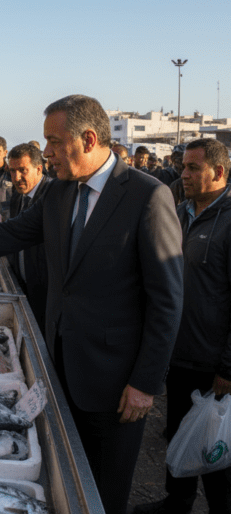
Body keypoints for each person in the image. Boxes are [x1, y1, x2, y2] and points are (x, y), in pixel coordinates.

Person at [0, 94, 183, 514]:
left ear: (87, 139)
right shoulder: (61, 193)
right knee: (68, 477)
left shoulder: (147, 196)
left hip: (115, 379)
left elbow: (167, 300)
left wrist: (146, 383)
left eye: (52, 141)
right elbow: (8, 235)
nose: (45, 152)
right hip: (59, 362)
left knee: (105, 493)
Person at [133, 139, 231, 514]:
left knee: (216, 446)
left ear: (218, 172)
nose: (183, 174)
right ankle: (178, 502)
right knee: (178, 435)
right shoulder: (178, 212)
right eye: (183, 166)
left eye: (193, 168)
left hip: (213, 360)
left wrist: (228, 367)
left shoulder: (227, 221)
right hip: (179, 352)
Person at [0, 143, 52, 330]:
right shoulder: (19, 196)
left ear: (39, 168)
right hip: (21, 283)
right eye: (12, 171)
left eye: (23, 170)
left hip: (45, 292)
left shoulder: (52, 196)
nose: (17, 177)